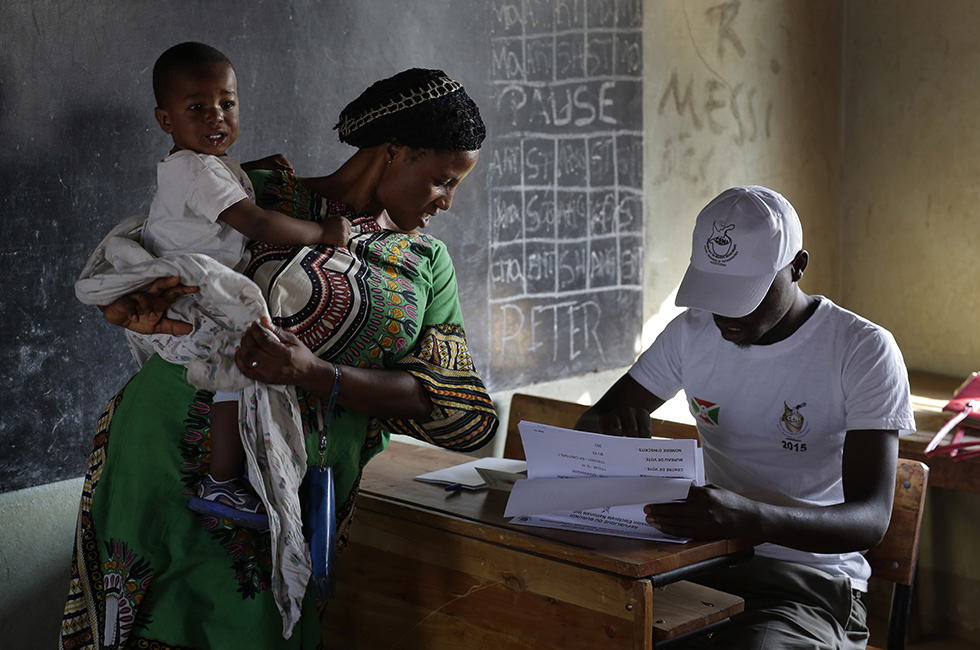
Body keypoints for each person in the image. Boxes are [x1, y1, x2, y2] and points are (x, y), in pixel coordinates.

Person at [61, 67, 498, 650]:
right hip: (162, 455)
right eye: (443, 181)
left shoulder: (424, 262)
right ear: (394, 151)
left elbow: (450, 403)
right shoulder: (253, 191)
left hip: (283, 502)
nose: (447, 202)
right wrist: (129, 304)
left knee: (259, 631)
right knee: (140, 624)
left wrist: (315, 374)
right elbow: (147, 267)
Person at [575, 186, 915, 649]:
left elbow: (870, 519)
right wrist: (611, 437)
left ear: (797, 267)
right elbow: (593, 422)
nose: (725, 314)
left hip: (806, 584)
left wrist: (751, 518)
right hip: (697, 563)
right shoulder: (691, 334)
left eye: (746, 295)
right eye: (715, 292)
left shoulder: (861, 350)